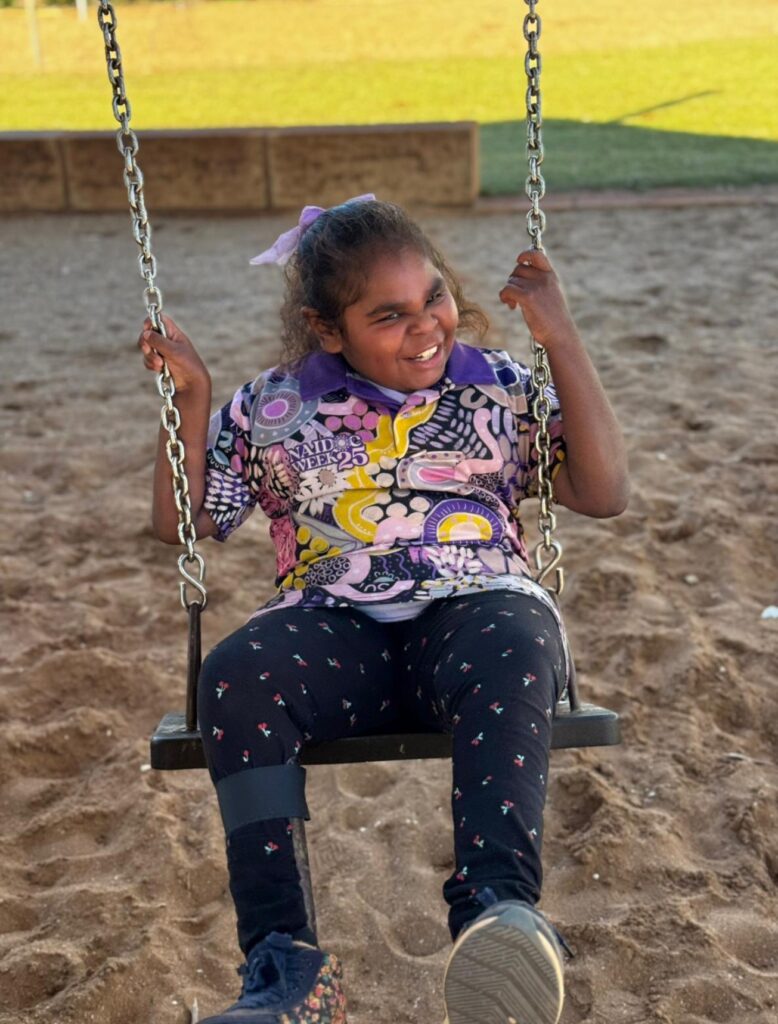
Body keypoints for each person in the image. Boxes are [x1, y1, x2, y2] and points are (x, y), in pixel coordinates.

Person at [139, 197, 628, 1024]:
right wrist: (194, 397)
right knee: (236, 674)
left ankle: (497, 916)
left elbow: (604, 491)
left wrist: (560, 338)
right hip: (334, 628)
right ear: (327, 330)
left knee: (518, 630)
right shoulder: (277, 408)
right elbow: (186, 517)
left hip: (473, 615)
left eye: (432, 297)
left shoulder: (498, 386)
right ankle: (285, 966)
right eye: (389, 315)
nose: (425, 326)